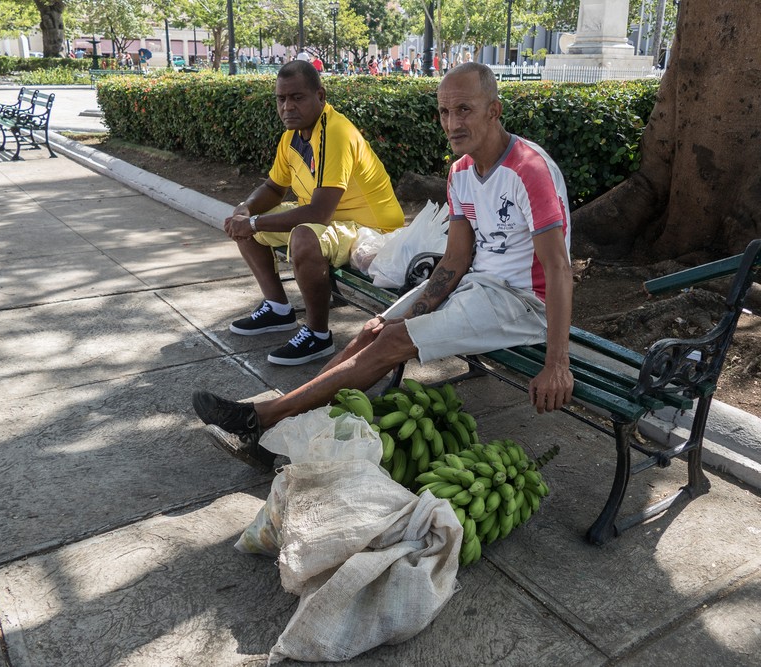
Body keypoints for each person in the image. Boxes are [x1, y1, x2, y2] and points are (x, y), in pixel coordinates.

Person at [192, 62, 575, 470]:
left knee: (393, 343)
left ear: (495, 110)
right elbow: (456, 259)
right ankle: (276, 437)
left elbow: (558, 269)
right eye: (445, 112)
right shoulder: (461, 172)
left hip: (524, 303)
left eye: (464, 109)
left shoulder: (529, 170)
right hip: (477, 286)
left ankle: (264, 417)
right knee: (373, 331)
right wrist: (410, 313)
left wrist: (557, 364)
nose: (452, 123)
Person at [217, 60, 404, 367]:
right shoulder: (293, 136)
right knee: (243, 225)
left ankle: (318, 336)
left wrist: (253, 222)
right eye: (281, 99)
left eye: (297, 97)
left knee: (303, 236)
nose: (287, 106)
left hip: (370, 228)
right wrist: (246, 210)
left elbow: (317, 213)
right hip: (333, 219)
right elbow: (274, 187)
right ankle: (278, 308)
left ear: (321, 95)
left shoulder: (335, 133)